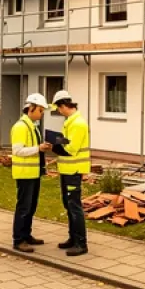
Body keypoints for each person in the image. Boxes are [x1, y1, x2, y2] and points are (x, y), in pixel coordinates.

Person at [50, 90, 90, 256]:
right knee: (68, 205)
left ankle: (81, 243)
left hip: (73, 170)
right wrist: (57, 140)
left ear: (64, 106)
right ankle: (73, 238)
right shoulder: (70, 122)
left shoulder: (78, 124)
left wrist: (54, 145)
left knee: (74, 206)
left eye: (59, 108)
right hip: (66, 170)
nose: (58, 112)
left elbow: (71, 148)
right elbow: (67, 141)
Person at [11, 93, 53, 253]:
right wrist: (38, 148)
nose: (41, 114)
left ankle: (26, 235)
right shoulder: (21, 127)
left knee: (31, 206)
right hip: (24, 173)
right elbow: (17, 150)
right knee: (24, 207)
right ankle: (18, 239)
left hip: (34, 172)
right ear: (31, 109)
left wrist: (42, 148)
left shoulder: (32, 126)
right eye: (40, 111)